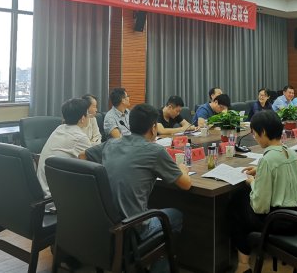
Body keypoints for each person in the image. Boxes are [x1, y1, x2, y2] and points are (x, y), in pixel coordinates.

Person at [85, 104, 192, 273]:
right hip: (132, 228)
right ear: (153, 128)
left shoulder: (111, 143)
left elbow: (83, 156)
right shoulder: (155, 151)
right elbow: (186, 184)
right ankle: (157, 264)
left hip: (103, 224)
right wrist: (182, 169)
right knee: (175, 215)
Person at [230, 110, 297, 273]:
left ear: (263, 132)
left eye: (255, 133)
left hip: (280, 221)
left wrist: (252, 182)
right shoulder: (291, 152)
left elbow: (260, 206)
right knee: (241, 200)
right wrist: (260, 171)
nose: (254, 137)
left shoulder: (267, 159)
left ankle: (243, 265)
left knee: (236, 203)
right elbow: (280, 171)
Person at [36, 98, 91, 197]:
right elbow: (92, 164)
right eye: (88, 114)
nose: (89, 116)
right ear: (83, 118)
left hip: (42, 188)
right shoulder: (80, 137)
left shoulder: (59, 128)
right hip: (55, 196)